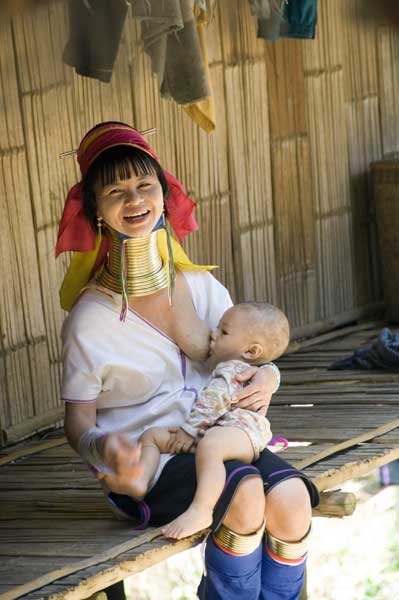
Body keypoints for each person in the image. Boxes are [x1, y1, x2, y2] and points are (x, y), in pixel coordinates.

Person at [58, 121, 319, 600]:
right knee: (243, 496)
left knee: (293, 498)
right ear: (95, 209)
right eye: (116, 191)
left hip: (219, 440)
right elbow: (78, 423)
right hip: (152, 460)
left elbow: (252, 348)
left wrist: (269, 374)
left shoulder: (198, 286)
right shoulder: (90, 320)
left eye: (144, 186)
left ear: (164, 193)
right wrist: (106, 449)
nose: (134, 200)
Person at [126, 301, 290, 540]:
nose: (213, 334)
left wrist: (188, 432)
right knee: (153, 436)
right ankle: (141, 482)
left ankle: (201, 509)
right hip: (219, 431)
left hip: (241, 432)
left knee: (210, 445)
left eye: (223, 332)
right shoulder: (232, 368)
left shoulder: (232, 371)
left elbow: (211, 405)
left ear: (251, 352)